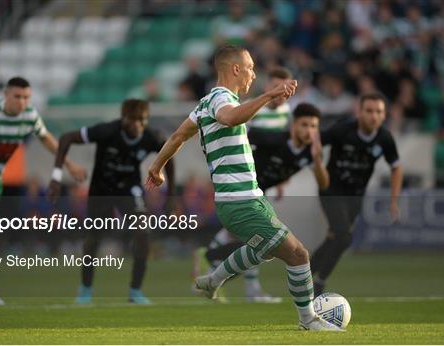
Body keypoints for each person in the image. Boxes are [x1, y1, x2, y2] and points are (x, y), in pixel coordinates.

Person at [145, 44, 341, 331]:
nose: (253, 74)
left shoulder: (204, 104)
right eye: (250, 68)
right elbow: (231, 117)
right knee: (299, 254)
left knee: (267, 250)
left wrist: (156, 166)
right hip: (239, 201)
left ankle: (212, 280)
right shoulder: (220, 99)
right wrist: (270, 94)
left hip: (250, 197)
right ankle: (308, 320)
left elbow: (178, 136)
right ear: (235, 69)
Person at [0, 76, 86, 305]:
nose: (22, 102)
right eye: (17, 96)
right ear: (6, 94)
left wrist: (70, 164)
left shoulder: (30, 115)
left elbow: (47, 139)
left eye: (26, 97)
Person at [196, 103, 329, 303]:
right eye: (304, 125)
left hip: (258, 194)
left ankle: (213, 267)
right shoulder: (273, 139)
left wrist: (317, 160)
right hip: (242, 190)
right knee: (267, 243)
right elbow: (240, 131)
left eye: (313, 126)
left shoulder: (311, 152)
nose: (309, 130)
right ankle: (230, 275)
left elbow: (323, 183)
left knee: (260, 244)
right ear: (293, 125)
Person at [48, 99, 175, 305]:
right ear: (123, 119)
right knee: (94, 239)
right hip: (101, 189)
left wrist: (170, 195)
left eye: (142, 120)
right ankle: (85, 291)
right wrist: (55, 176)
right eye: (133, 120)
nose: (137, 125)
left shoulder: (152, 137)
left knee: (142, 234)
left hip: (129, 188)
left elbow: (169, 152)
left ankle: (135, 292)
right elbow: (66, 138)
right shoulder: (107, 131)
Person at [310, 92, 403, 296]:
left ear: (384, 115)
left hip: (356, 196)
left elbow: (396, 167)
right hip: (331, 190)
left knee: (334, 238)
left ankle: (303, 275)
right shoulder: (343, 130)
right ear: (359, 112)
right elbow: (316, 138)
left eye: (378, 112)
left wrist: (394, 201)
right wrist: (315, 155)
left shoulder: (385, 139)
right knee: (344, 236)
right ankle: (319, 283)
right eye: (369, 111)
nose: (374, 116)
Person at [248, 67, 292, 132]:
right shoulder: (250, 107)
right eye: (276, 87)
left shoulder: (286, 109)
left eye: (285, 88)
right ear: (266, 86)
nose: (281, 92)